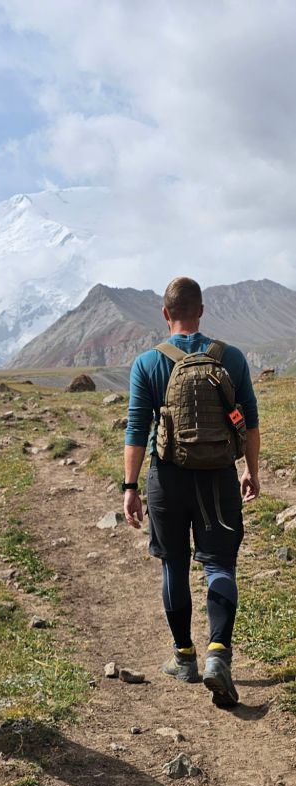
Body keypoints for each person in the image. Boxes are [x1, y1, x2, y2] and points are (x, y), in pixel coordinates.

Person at [123, 276, 260, 707]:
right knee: (219, 565)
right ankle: (219, 652)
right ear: (201, 311)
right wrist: (250, 471)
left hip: (167, 478)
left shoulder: (147, 363)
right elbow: (250, 422)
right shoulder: (231, 357)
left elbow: (136, 429)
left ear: (165, 314)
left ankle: (184, 657)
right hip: (218, 475)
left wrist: (130, 487)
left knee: (174, 565)